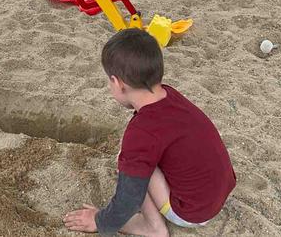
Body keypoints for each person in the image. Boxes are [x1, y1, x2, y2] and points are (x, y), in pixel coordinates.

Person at [63, 28, 236, 236]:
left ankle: (152, 227)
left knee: (129, 160)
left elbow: (129, 198)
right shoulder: (169, 94)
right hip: (217, 194)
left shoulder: (141, 132)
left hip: (191, 212)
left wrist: (100, 221)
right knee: (145, 155)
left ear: (118, 83)